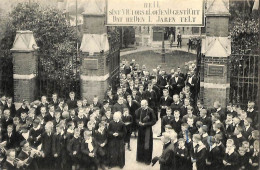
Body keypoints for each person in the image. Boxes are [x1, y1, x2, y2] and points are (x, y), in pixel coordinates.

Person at [136, 100, 156, 164]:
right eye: (141, 105)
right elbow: (136, 118)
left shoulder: (151, 111)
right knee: (140, 144)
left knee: (147, 145)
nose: (141, 106)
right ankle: (140, 159)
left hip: (147, 130)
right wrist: (138, 122)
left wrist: (146, 124)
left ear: (146, 104)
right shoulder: (139, 110)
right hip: (141, 130)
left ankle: (147, 160)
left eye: (143, 105)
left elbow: (154, 121)